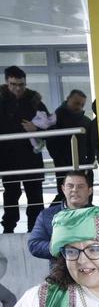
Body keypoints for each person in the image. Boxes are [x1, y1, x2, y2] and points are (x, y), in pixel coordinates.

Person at [0, 65, 49, 233]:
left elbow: (49, 126)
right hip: (7, 158)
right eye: (14, 84)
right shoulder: (1, 102)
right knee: (11, 194)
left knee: (35, 194)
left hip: (30, 157)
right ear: (7, 82)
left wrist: (37, 130)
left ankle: (35, 230)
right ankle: (8, 228)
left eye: (21, 84)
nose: (18, 88)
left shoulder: (34, 101)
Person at [46, 89, 97, 203]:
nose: (79, 107)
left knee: (85, 195)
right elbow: (50, 141)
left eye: (82, 105)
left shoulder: (85, 122)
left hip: (83, 166)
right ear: (68, 100)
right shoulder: (55, 120)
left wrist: (89, 163)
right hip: (63, 165)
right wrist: (58, 158)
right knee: (65, 196)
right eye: (76, 103)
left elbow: (90, 145)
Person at [28, 169, 92, 260]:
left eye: (80, 186)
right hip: (60, 271)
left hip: (91, 269)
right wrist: (63, 248)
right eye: (70, 186)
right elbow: (34, 245)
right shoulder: (46, 215)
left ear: (90, 190)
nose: (75, 190)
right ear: (63, 189)